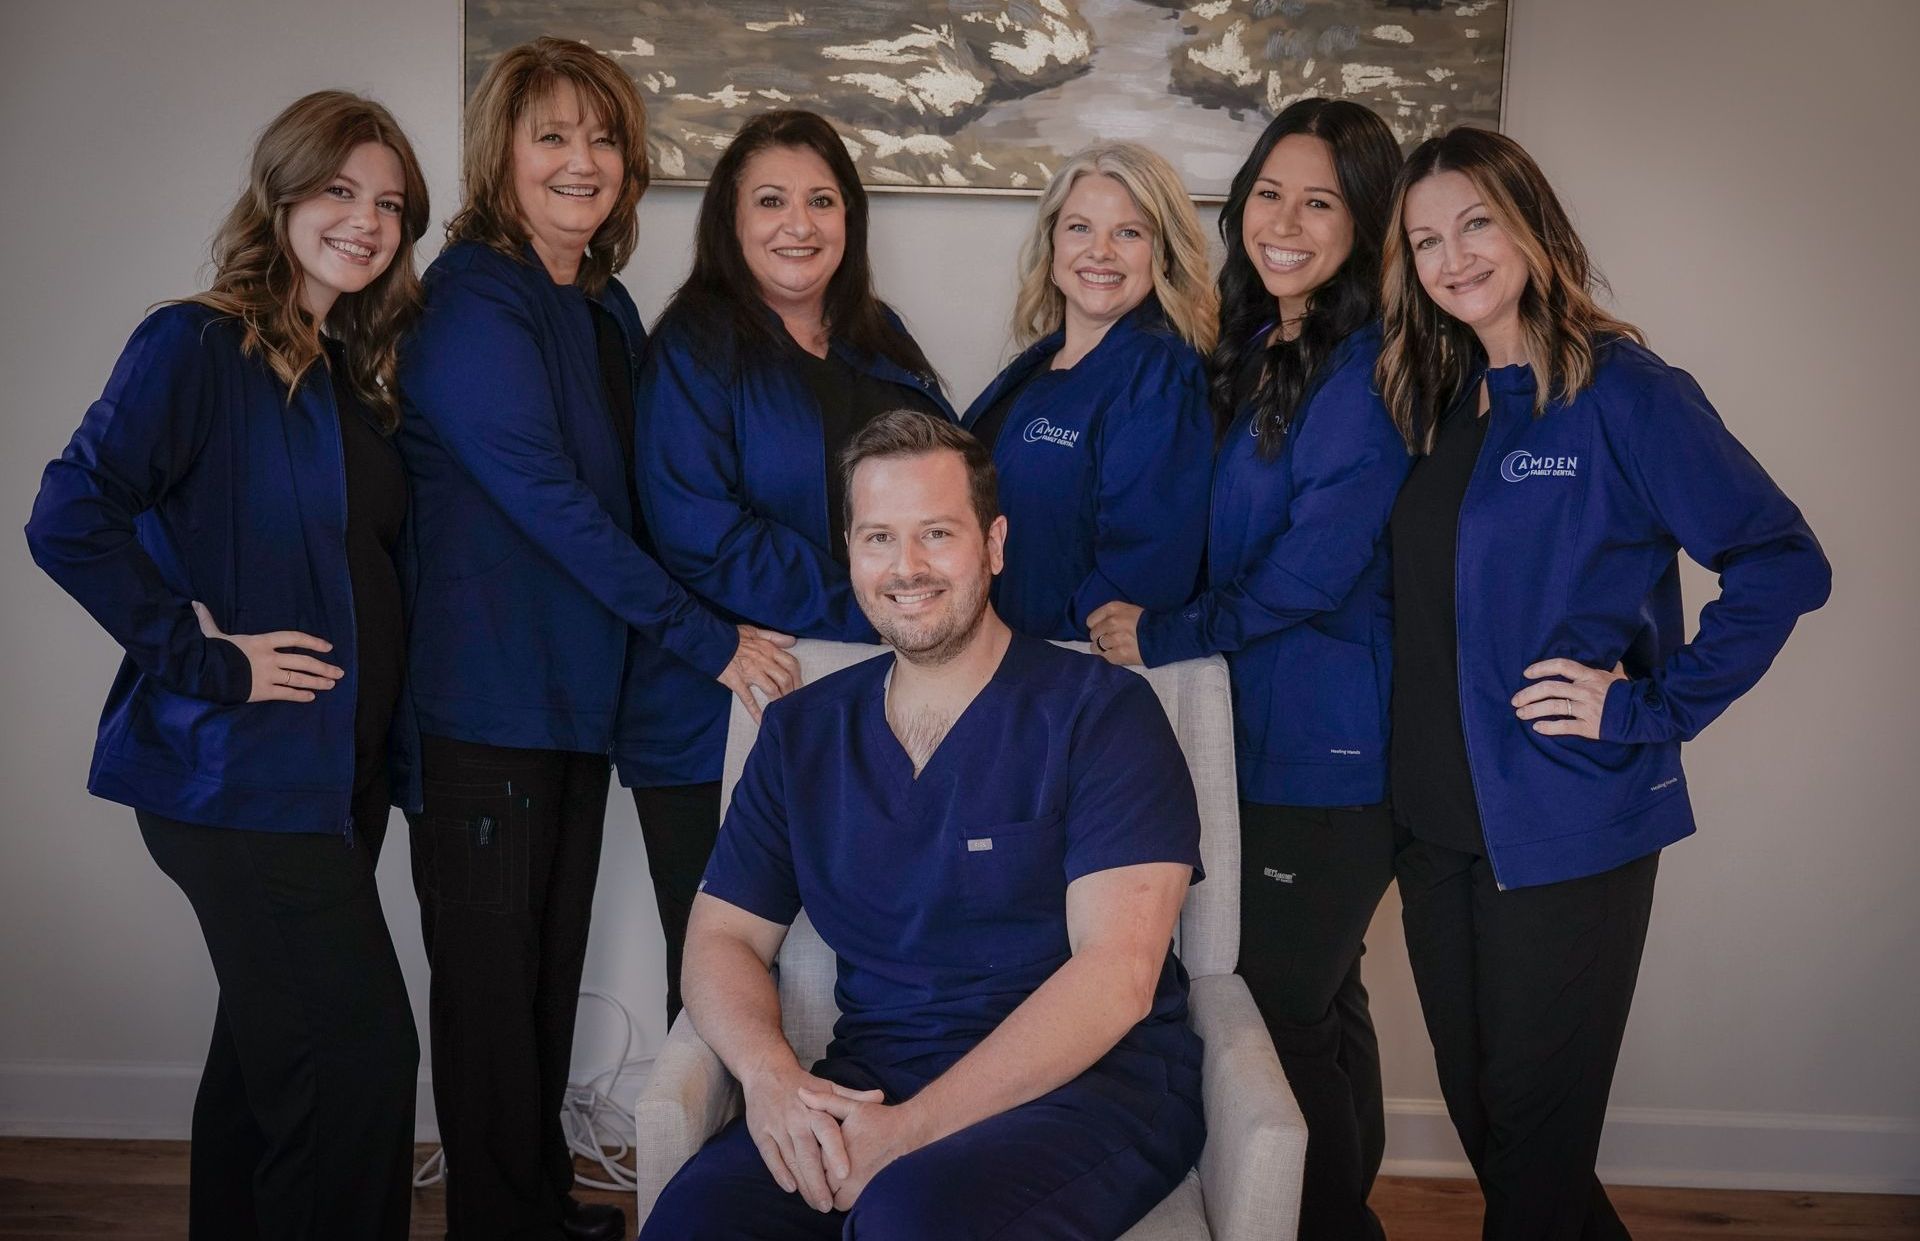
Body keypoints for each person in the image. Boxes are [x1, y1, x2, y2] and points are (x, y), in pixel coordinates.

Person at [1376, 126, 1831, 1239]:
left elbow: (1784, 560)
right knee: (1498, 1128)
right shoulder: (1438, 403)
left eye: (1476, 221)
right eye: (1427, 239)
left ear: (1533, 224)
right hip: (1437, 829)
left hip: (1567, 818)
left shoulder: (1624, 390)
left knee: (1534, 1144)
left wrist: (1645, 707)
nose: (1454, 256)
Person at [395, 39, 798, 1241]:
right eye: (553, 137)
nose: (583, 161)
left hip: (577, 704)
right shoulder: (472, 296)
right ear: (502, 156)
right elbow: (557, 507)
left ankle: (527, 1204)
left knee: (538, 983)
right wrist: (711, 638)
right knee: (487, 995)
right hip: (485, 707)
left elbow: (645, 499)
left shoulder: (603, 303)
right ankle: (496, 1223)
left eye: (603, 138)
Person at [639, 412, 1206, 1239]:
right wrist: (770, 1078)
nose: (906, 568)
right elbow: (720, 936)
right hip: (875, 1075)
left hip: (1091, 1086)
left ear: (995, 543)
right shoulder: (802, 732)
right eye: (878, 538)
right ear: (850, 549)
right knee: (697, 1221)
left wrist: (908, 1134)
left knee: (908, 1217)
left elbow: (1116, 976)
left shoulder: (1103, 713)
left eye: (936, 533)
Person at [24, 91, 429, 1239]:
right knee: (358, 1058)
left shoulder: (350, 370)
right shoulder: (195, 342)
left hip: (327, 781)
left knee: (267, 1070)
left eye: (390, 203)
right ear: (284, 192)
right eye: (341, 190)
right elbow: (69, 516)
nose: (367, 220)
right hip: (238, 779)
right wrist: (203, 656)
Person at [1088, 98, 1406, 1240]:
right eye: (1270, 191)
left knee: (1275, 1017)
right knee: (1324, 1004)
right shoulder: (1262, 343)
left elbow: (1313, 572)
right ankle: (1347, 1216)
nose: (1284, 219)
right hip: (1261, 731)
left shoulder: (1365, 368)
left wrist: (1159, 635)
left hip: (1324, 752)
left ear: (1367, 226)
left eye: (1320, 201)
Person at [630, 109, 953, 1025]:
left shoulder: (878, 334)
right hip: (716, 703)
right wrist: (880, 599)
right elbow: (699, 532)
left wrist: (910, 592)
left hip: (857, 699)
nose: (798, 223)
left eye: (821, 200)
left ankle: (841, 1156)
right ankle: (715, 1165)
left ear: (850, 218)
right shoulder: (695, 342)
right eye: (770, 201)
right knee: (724, 977)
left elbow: (938, 482)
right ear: (730, 221)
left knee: (853, 968)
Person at [964, 141, 1214, 641]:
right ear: (1053, 243)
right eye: (1079, 228)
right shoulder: (1036, 363)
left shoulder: (1160, 378)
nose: (1100, 251)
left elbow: (1146, 572)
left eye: (1129, 232)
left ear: (1162, 253)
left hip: (1062, 674)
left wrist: (1040, 654)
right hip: (989, 661)